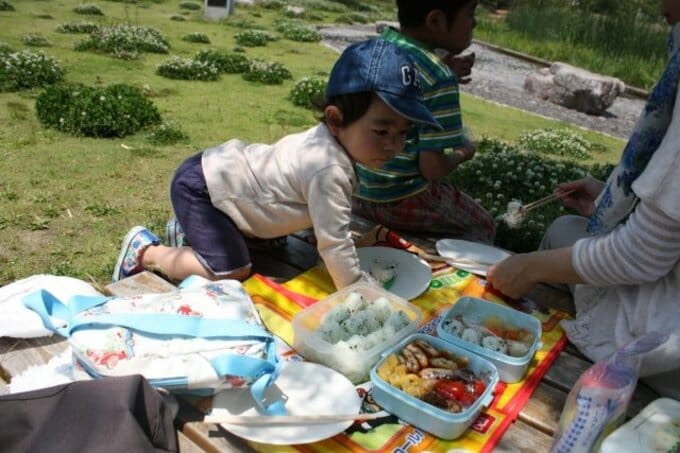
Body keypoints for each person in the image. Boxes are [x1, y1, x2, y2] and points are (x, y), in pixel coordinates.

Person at [111, 38, 441, 290]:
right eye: (381, 131)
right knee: (232, 271)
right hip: (205, 191)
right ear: (335, 119)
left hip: (220, 185)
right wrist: (358, 291)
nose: (393, 145)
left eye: (403, 132)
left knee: (273, 242)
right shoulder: (330, 168)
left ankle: (196, 233)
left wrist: (314, 234)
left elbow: (308, 204)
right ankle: (146, 251)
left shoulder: (325, 143)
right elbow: (335, 244)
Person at [486, 0, 680, 399]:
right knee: (565, 228)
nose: (664, 8)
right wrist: (611, 201)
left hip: (666, 340)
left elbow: (641, 256)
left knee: (553, 248)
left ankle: (550, 355)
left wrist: (527, 267)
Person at [352, 0, 495, 244]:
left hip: (355, 189)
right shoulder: (438, 77)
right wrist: (463, 152)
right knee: (482, 224)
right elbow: (432, 168)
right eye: (470, 13)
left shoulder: (376, 48)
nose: (475, 23)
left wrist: (442, 64)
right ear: (436, 20)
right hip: (400, 197)